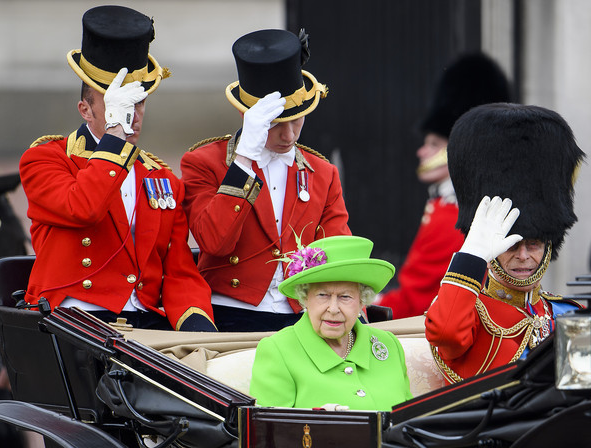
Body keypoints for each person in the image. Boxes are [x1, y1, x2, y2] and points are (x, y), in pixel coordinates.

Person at [18, 5, 215, 331]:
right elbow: (84, 207)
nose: (132, 116)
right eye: (116, 105)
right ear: (85, 109)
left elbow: (179, 271)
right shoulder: (45, 159)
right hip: (75, 319)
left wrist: (198, 327)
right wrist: (114, 135)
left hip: (146, 325)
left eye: (138, 103)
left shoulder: (163, 178)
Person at [180, 29, 350, 332]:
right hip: (228, 317)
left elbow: (336, 255)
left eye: (296, 120)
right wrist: (243, 161)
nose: (289, 136)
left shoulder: (322, 173)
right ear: (250, 117)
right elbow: (214, 242)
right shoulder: (204, 162)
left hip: (304, 320)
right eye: (274, 125)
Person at [425, 103, 585, 384]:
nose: (523, 256)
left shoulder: (568, 314)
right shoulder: (471, 311)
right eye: (510, 246)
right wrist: (471, 253)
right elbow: (447, 333)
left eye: (533, 243)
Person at [376, 53, 512, 318]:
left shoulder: (448, 215)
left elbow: (415, 299)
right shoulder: (449, 207)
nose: (422, 152)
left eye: (434, 145)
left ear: (458, 150)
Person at [249, 235, 412, 410]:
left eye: (345, 297)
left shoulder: (388, 344)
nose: (333, 309)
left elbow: (411, 422)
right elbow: (268, 431)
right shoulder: (278, 351)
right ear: (305, 299)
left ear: (362, 302)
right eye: (323, 295)